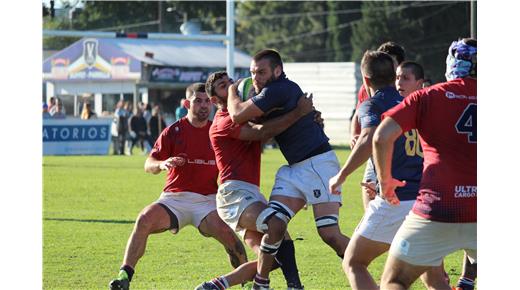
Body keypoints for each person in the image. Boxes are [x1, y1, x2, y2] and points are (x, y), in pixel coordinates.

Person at [227, 49, 350, 289]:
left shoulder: (278, 89)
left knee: (329, 235)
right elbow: (263, 125)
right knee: (274, 224)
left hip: (318, 165)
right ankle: (261, 283)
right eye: (253, 73)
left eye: (261, 72)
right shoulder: (274, 92)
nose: (256, 78)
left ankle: (365, 271)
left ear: (277, 70)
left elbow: (237, 114)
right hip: (294, 169)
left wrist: (233, 89)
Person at [109, 83, 248, 290]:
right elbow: (149, 164)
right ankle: (124, 277)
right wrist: (162, 164)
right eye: (197, 101)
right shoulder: (173, 131)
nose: (204, 106)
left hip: (207, 201)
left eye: (207, 102)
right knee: (144, 219)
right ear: (186, 104)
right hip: (174, 199)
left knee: (232, 241)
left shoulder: (217, 130)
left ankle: (246, 283)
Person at [328, 52, 447, 290]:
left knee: (353, 262)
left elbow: (370, 136)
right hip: (425, 199)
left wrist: (341, 175)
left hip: (396, 199)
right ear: (394, 77)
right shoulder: (416, 101)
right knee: (433, 278)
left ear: (366, 80)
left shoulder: (373, 104)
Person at [372, 38, 477, 289]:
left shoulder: (427, 97)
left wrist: (385, 182)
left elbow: (381, 137)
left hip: (437, 208)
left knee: (395, 280)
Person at [195, 71, 313, 290]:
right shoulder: (224, 120)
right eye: (223, 85)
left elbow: (272, 127)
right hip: (234, 194)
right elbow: (262, 132)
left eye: (230, 81)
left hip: (248, 193)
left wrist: (308, 119)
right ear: (214, 100)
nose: (231, 86)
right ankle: (267, 285)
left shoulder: (245, 115)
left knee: (274, 256)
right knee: (276, 224)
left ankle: (216, 285)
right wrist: (298, 113)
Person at [350, 42, 406, 211]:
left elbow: (369, 138)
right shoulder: (369, 91)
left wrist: (341, 176)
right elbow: (359, 111)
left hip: (397, 153)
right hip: (383, 153)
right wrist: (354, 134)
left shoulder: (403, 86)